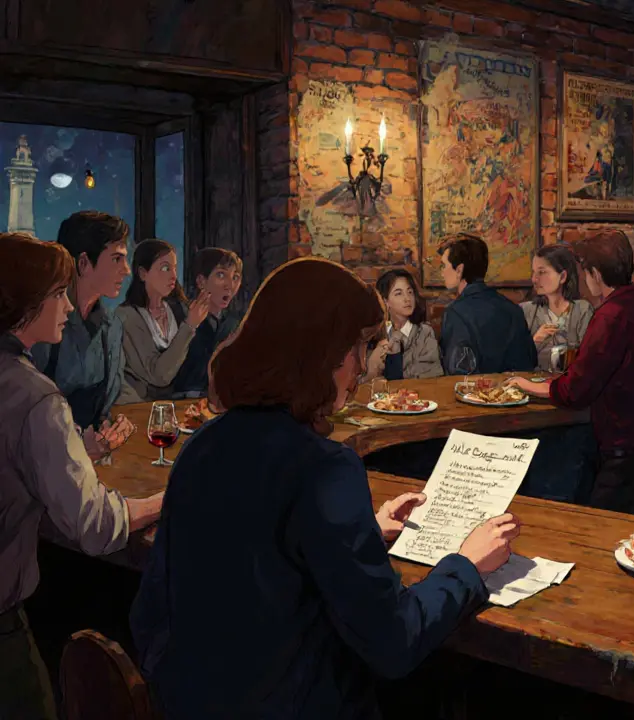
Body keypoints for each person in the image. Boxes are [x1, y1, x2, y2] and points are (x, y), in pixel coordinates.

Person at [130, 257, 520, 719]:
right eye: (356, 346)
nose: (359, 365)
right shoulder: (324, 468)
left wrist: (364, 533)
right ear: (321, 353)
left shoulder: (204, 445)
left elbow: (176, 604)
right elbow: (392, 641)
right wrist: (466, 565)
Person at [0, 233, 163, 720]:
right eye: (56, 294)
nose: (67, 307)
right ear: (27, 303)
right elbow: (93, 525)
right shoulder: (36, 398)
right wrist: (163, 501)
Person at [507, 231, 634, 517]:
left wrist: (532, 386)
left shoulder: (609, 316)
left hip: (628, 459)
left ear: (596, 275)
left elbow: (576, 389)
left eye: (586, 272)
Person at [29, 211, 132, 431]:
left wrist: (110, 427)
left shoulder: (112, 327)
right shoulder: (41, 324)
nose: (127, 270)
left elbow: (105, 408)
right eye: (117, 259)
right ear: (83, 263)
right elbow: (23, 413)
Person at [116, 239, 212, 403]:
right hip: (139, 408)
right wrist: (189, 326)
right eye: (165, 268)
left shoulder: (180, 310)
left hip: (180, 404)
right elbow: (159, 375)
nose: (174, 276)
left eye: (174, 268)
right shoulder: (127, 316)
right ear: (143, 273)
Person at [435, 233, 536, 374]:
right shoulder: (512, 309)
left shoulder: (455, 313)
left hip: (474, 393)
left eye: (444, 266)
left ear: (459, 270)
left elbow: (458, 373)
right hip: (513, 392)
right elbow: (528, 363)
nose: (442, 273)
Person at [172, 248, 244, 397]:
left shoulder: (235, 323)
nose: (229, 285)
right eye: (221, 275)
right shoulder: (180, 317)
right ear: (201, 281)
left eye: (235, 277)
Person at [519, 245, 593, 373]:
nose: (534, 279)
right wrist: (534, 341)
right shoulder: (526, 311)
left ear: (563, 276)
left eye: (542, 272)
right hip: (534, 384)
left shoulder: (582, 310)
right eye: (534, 272)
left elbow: (589, 358)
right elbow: (516, 361)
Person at [366, 269, 443, 381]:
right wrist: (372, 370)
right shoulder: (375, 336)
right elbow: (362, 379)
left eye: (410, 292)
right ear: (385, 301)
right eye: (399, 293)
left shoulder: (425, 333)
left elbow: (431, 376)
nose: (407, 299)